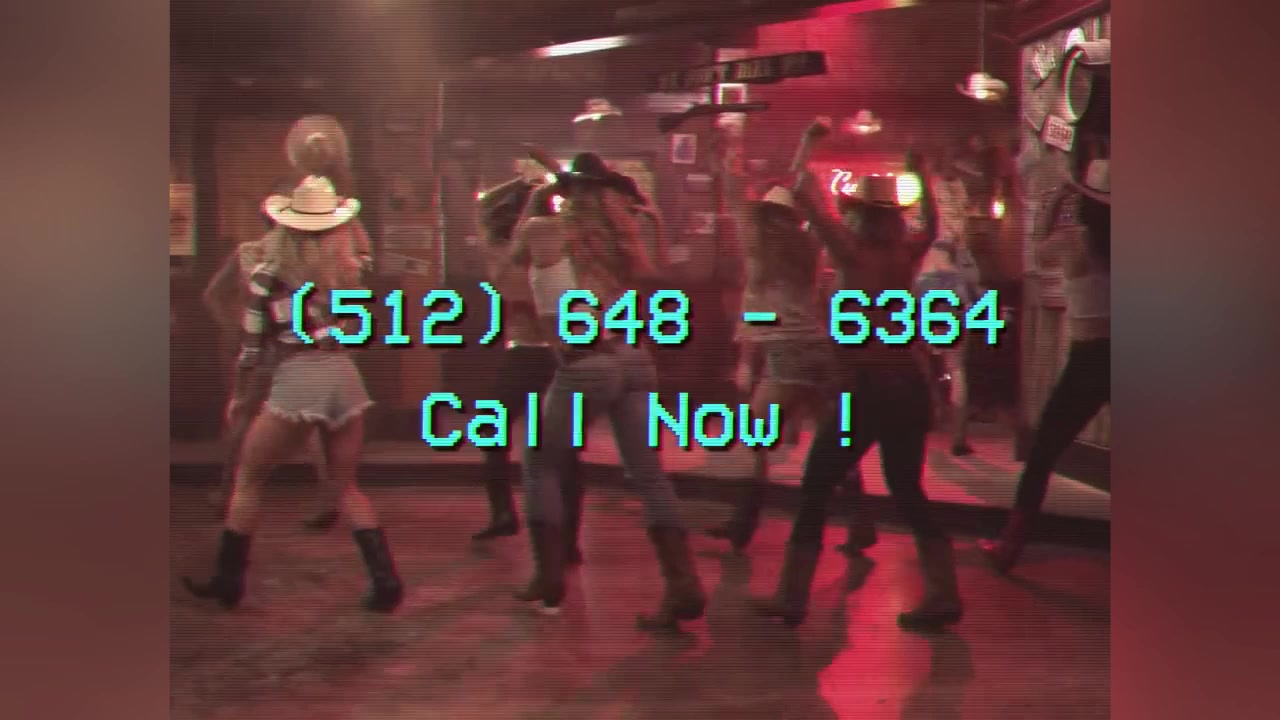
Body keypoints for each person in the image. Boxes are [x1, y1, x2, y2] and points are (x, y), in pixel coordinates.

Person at [757, 139, 963, 632]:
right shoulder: (907, 253)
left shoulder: (851, 254)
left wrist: (806, 145)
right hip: (907, 384)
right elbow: (933, 226)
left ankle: (792, 595)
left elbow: (804, 197)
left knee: (815, 483)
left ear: (860, 216)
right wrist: (923, 175)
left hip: (864, 388)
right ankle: (944, 592)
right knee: (907, 488)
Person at [503, 150, 706, 629]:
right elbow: (657, 277)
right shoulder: (624, 236)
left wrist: (537, 198)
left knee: (539, 462)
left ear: (567, 192)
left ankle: (549, 576)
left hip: (585, 362)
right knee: (650, 475)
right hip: (634, 358)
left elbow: (505, 273)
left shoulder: (547, 230)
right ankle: (683, 585)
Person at [182, 175, 403, 612]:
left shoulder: (268, 275)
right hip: (344, 376)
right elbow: (364, 268)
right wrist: (344, 215)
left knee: (249, 479)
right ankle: (386, 582)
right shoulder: (348, 272)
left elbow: (252, 347)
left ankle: (228, 581)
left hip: (299, 376)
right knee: (346, 487)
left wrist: (240, 397)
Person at [702, 138, 836, 555]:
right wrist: (806, 145)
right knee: (833, 442)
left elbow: (732, 197)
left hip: (787, 353)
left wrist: (728, 160)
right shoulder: (808, 249)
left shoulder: (758, 246)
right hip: (817, 349)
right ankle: (861, 523)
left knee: (753, 438)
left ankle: (743, 522)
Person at [979, 157, 1109, 574]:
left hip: (1089, 360)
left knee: (1042, 452)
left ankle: (1010, 546)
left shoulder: (1075, 243)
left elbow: (1036, 252)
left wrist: (1053, 204)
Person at [469, 174, 585, 567]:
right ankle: (555, 535)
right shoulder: (551, 246)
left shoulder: (511, 254)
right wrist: (534, 189)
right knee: (559, 448)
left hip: (535, 354)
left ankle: (516, 518)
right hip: (550, 355)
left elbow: (483, 207)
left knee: (541, 445)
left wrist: (528, 188)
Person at [914, 152, 982, 456]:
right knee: (956, 366)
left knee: (919, 355)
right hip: (956, 283)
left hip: (929, 280)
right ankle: (958, 436)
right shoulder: (962, 221)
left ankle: (928, 415)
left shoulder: (928, 211)